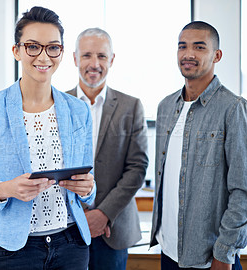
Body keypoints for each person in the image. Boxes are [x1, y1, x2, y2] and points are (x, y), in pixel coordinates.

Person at [0, 6, 95, 270]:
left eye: (52, 47)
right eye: (33, 46)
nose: (43, 56)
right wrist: (5, 189)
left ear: (61, 53)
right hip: (14, 249)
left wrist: (88, 189)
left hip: (71, 244)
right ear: (17, 50)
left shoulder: (79, 110)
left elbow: (89, 186)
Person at [150, 21, 247, 270]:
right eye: (182, 47)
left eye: (199, 47)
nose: (188, 54)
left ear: (216, 55)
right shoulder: (165, 107)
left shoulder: (233, 108)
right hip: (169, 252)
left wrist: (225, 253)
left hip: (211, 258)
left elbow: (245, 193)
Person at [66, 28, 149, 270]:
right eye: (87, 55)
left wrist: (102, 214)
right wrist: (81, 214)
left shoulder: (131, 106)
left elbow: (137, 168)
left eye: (102, 56)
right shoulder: (58, 103)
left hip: (113, 228)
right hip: (67, 226)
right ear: (74, 58)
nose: (94, 64)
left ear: (112, 59)